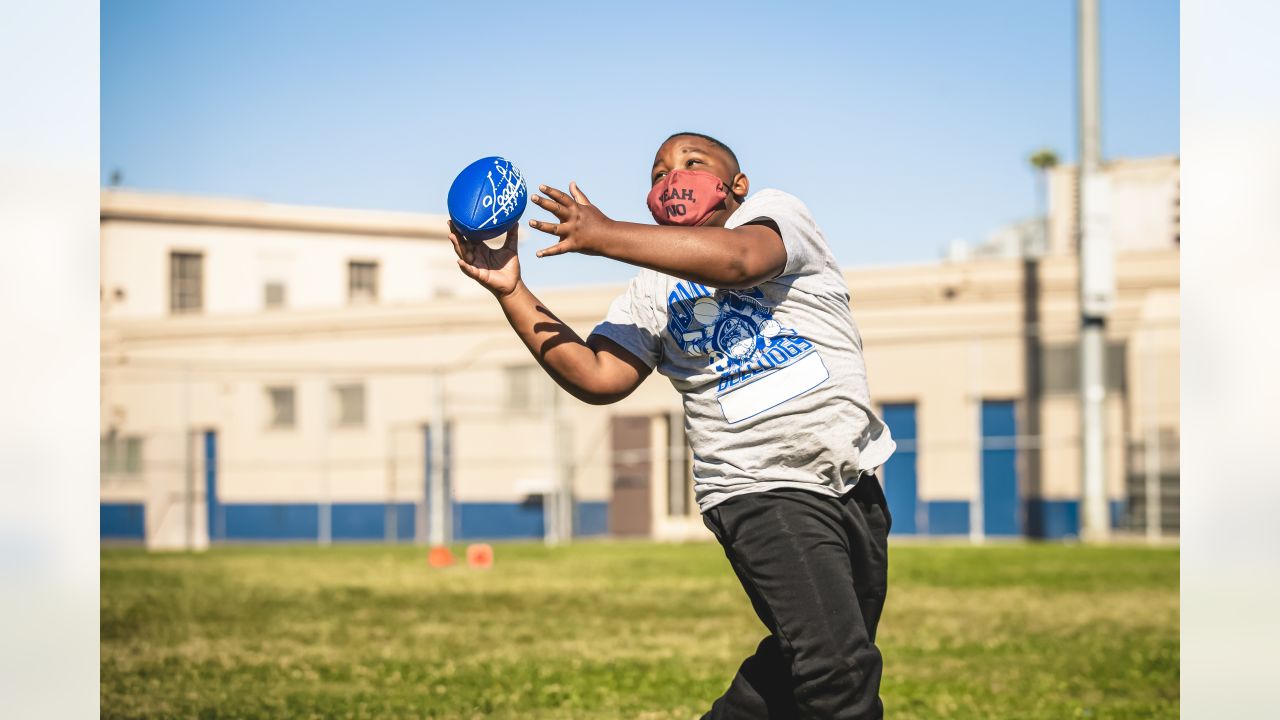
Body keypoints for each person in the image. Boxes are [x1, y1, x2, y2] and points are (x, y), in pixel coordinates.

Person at [447, 132, 896, 719]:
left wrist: (604, 235)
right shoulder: (651, 291)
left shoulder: (778, 215)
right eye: (658, 173)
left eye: (692, 163)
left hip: (852, 480)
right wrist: (512, 289)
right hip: (758, 489)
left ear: (737, 185)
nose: (673, 177)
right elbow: (598, 375)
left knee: (806, 662)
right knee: (838, 673)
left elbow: (741, 261)